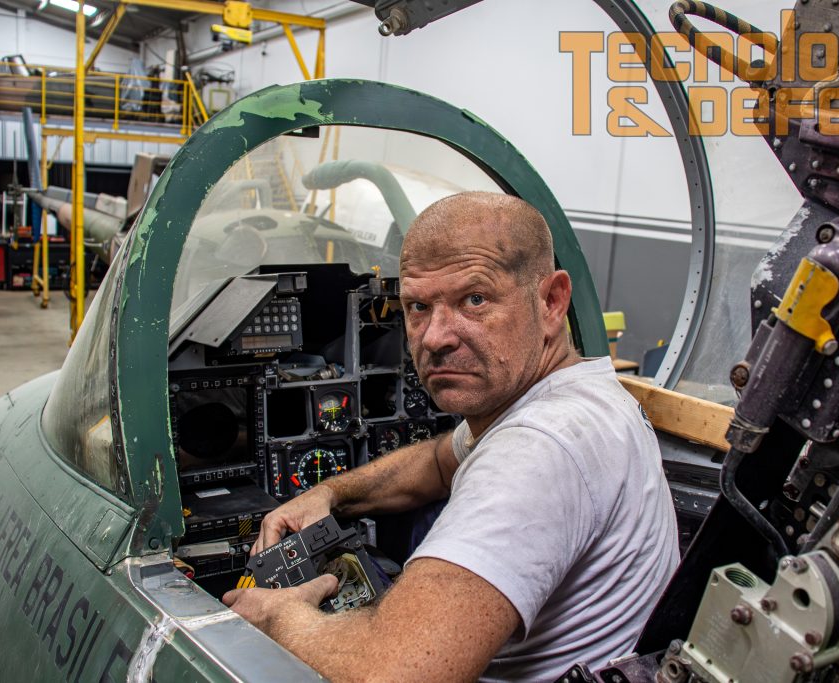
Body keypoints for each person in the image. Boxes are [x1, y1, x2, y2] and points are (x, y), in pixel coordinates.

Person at [223, 191, 679, 681]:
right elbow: (442, 461)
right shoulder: (574, 397)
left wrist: (278, 618)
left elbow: (398, 675)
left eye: (474, 299)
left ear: (551, 301)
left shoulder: (539, 447)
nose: (436, 336)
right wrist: (331, 493)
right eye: (418, 306)